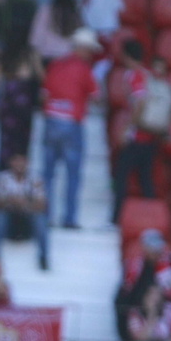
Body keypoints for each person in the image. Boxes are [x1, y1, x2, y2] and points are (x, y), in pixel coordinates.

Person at [41, 29, 99, 230]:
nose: (91, 54)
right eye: (89, 50)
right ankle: (69, 218)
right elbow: (96, 95)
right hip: (72, 123)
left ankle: (45, 216)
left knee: (48, 173)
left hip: (51, 120)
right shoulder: (84, 69)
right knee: (72, 174)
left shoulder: (55, 65)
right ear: (81, 48)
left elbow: (44, 93)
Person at [112, 47, 171, 222]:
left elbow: (139, 103)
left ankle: (116, 218)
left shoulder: (135, 75)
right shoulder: (148, 75)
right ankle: (151, 218)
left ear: (127, 57)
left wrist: (126, 130)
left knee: (121, 175)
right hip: (151, 136)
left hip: (138, 136)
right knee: (145, 179)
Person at [117, 229, 171, 340]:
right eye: (151, 248)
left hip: (168, 300)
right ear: (144, 247)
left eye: (156, 248)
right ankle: (126, 339)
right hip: (140, 302)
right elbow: (127, 287)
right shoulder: (134, 263)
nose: (154, 252)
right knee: (119, 301)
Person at [0, 152, 48, 270]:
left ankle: (43, 257)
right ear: (11, 163)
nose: (19, 164)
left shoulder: (34, 179)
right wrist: (11, 201)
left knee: (40, 219)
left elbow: (42, 204)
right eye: (16, 161)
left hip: (26, 220)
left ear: (27, 163)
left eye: (22, 161)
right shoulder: (3, 178)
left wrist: (24, 203)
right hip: (10, 219)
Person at [0, 48, 41, 172]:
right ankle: (5, 177)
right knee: (7, 148)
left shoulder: (30, 69)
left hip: (23, 116)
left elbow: (42, 80)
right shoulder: (5, 70)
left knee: (21, 149)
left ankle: (19, 179)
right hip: (9, 116)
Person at [30, 0, 82, 65]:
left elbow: (35, 40)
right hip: (68, 61)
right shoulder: (75, 14)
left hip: (47, 60)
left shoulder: (44, 11)